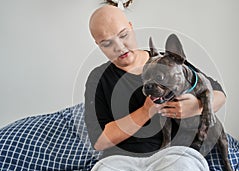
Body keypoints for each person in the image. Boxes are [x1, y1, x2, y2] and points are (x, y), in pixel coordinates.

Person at [85, 5, 226, 157]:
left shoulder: (168, 61)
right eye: (107, 43)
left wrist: (197, 106)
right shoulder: (98, 78)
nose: (119, 47)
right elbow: (99, 141)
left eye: (123, 35)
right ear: (97, 44)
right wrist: (145, 111)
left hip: (174, 155)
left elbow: (219, 94)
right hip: (122, 160)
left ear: (131, 28)